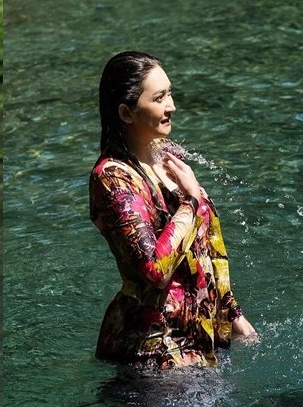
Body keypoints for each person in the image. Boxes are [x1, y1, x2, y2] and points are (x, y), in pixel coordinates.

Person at [89, 51, 256, 369]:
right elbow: (154, 269)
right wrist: (191, 201)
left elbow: (203, 250)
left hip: (196, 340)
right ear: (126, 113)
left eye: (170, 93)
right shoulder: (112, 178)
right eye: (160, 97)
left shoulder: (168, 156)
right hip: (152, 352)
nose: (172, 106)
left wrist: (234, 317)